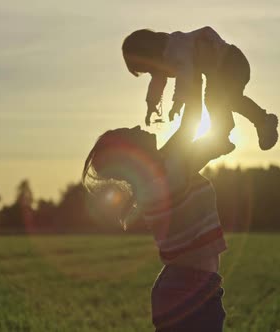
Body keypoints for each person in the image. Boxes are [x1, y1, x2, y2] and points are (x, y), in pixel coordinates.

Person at [82, 125, 231, 331]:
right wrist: (185, 94)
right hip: (187, 288)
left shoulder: (164, 171)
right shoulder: (166, 177)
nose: (138, 126)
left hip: (193, 286)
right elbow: (191, 121)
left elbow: (202, 142)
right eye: (132, 131)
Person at [122, 26, 279, 154]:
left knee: (229, 99)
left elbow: (185, 74)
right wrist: (151, 104)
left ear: (149, 53)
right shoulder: (163, 59)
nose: (151, 72)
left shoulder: (175, 49)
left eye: (147, 68)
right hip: (219, 71)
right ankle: (226, 132)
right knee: (215, 100)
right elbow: (157, 80)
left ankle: (262, 120)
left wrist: (178, 102)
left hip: (231, 62)